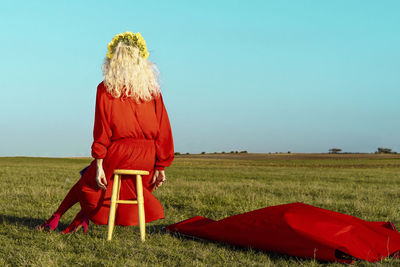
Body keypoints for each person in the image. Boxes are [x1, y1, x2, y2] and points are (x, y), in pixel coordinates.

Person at [37, 31, 174, 234]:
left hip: (120, 153)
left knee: (87, 182)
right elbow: (164, 129)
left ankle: (58, 218)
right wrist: (161, 165)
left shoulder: (105, 89)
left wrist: (100, 163)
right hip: (148, 157)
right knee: (94, 179)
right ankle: (76, 219)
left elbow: (102, 131)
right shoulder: (153, 91)